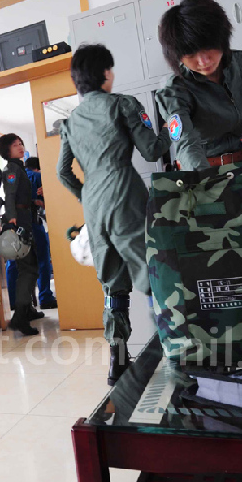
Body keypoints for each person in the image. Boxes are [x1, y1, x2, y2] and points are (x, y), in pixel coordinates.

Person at [57, 44, 171, 384]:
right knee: (153, 274)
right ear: (105, 73)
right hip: (125, 195)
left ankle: (117, 362)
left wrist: (88, 197)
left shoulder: (70, 121)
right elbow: (152, 150)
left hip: (94, 205)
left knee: (112, 285)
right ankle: (175, 349)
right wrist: (173, 125)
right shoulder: (122, 104)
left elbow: (63, 172)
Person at [156, 0, 242, 169]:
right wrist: (205, 179)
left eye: (208, 48)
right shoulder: (174, 91)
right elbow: (186, 144)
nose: (203, 61)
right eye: (191, 54)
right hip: (204, 169)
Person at [0, 133, 41, 336]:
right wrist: (13, 219)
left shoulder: (19, 167)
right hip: (19, 221)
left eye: (21, 143)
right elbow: (10, 195)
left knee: (29, 265)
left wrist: (34, 202)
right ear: (7, 150)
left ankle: (27, 310)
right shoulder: (12, 170)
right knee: (28, 268)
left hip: (25, 218)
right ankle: (20, 318)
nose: (20, 146)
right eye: (15, 145)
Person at [5, 157, 57, 311]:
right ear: (38, 168)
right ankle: (45, 297)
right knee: (42, 259)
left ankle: (14, 302)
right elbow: (47, 202)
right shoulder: (37, 177)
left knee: (13, 261)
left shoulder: (11, 175)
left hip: (14, 223)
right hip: (33, 222)